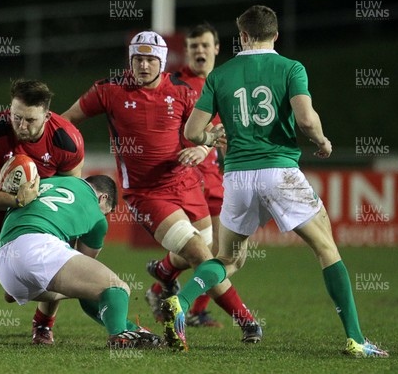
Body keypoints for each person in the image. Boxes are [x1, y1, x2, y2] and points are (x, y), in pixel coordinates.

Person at [163, 5, 388, 357]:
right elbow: (306, 120)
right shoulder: (290, 68)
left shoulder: (220, 76)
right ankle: (356, 339)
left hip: (236, 176)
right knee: (326, 248)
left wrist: (211, 140)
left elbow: (192, 132)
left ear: (242, 37)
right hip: (279, 172)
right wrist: (322, 141)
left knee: (229, 260)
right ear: (276, 35)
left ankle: (182, 300)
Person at [61, 30, 261, 344]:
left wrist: (201, 148)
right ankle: (246, 321)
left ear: (162, 61)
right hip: (146, 194)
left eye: (150, 59)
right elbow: (65, 123)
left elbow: (210, 134)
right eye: (137, 59)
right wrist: (54, 156)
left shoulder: (182, 91)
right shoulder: (109, 90)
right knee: (200, 256)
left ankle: (166, 273)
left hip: (187, 185)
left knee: (214, 255)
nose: (143, 65)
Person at [144, 23, 261, 335]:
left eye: (205, 45)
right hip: (189, 181)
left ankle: (164, 275)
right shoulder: (175, 83)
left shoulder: (226, 82)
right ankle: (205, 309)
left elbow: (226, 131)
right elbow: (167, 130)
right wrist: (197, 145)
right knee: (211, 254)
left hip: (220, 179)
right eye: (193, 46)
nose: (199, 51)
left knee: (233, 257)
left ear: (217, 48)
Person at [0, 79, 85, 345]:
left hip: (44, 206)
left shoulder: (67, 141)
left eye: (30, 120)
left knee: (54, 268)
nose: (21, 126)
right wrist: (16, 200)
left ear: (46, 116)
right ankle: (18, 280)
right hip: (3, 199)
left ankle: (43, 325)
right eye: (16, 117)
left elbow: (70, 192)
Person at [0, 174, 161, 348]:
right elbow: (86, 267)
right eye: (107, 211)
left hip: (4, 263)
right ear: (103, 197)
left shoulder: (45, 182)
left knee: (92, 288)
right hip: (37, 248)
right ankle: (120, 335)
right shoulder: (97, 216)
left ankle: (133, 331)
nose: (104, 216)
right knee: (116, 287)